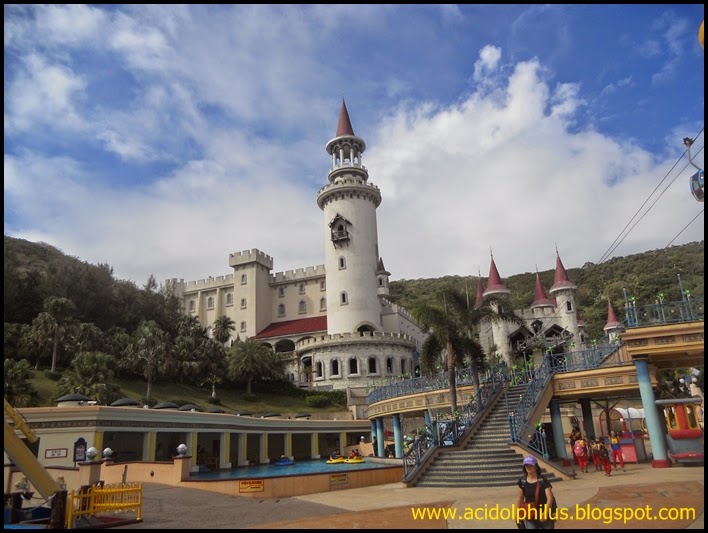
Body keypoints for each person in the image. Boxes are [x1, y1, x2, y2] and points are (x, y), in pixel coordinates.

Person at [516, 456, 556, 529]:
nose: (528, 467)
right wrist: (517, 513)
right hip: (530, 514)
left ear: (536, 467)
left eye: (531, 465)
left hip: (544, 514)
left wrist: (545, 512)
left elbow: (550, 498)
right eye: (526, 465)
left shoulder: (543, 480)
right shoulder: (522, 481)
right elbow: (520, 498)